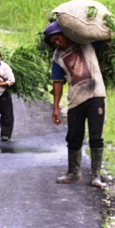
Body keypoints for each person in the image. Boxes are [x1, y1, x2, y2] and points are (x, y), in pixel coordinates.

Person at [43, 21, 106, 188]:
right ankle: (73, 172)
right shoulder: (57, 56)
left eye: (58, 38)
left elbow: (104, 35)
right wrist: (56, 107)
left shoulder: (84, 40)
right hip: (76, 99)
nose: (57, 43)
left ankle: (96, 176)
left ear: (64, 33)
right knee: (73, 137)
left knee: (96, 136)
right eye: (53, 42)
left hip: (95, 95)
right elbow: (57, 82)